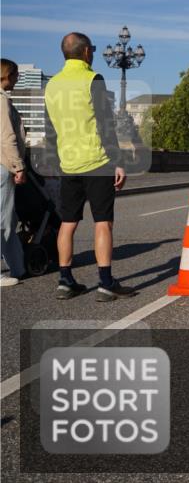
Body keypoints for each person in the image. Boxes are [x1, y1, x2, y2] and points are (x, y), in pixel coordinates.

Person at [43, 32, 135, 301]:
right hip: (97, 162)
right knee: (103, 223)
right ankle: (106, 283)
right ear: (85, 53)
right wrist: (118, 162)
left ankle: (65, 280)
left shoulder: (52, 85)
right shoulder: (92, 79)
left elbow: (51, 129)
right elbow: (105, 125)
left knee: (68, 223)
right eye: (92, 50)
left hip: (68, 163)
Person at [1, 59, 28, 287]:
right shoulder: (1, 101)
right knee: (4, 221)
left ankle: (18, 267)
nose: (18, 79)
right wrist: (18, 167)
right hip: (2, 167)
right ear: (7, 75)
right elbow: (7, 138)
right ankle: (9, 270)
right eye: (16, 75)